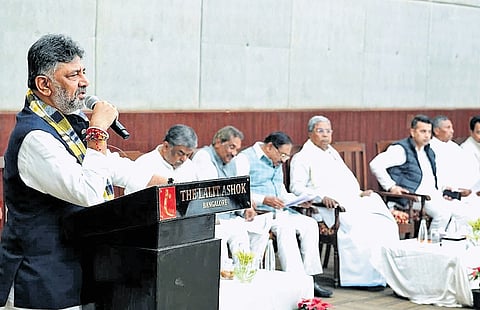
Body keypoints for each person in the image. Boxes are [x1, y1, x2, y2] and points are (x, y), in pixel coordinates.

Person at [0, 34, 166, 309]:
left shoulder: (66, 120)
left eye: (84, 72)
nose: (85, 82)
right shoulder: (34, 137)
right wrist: (97, 132)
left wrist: (155, 181)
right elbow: (88, 192)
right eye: (73, 75)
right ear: (44, 85)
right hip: (41, 279)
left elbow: (102, 164)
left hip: (74, 267)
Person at [289, 115, 399, 288]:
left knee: (383, 223)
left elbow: (345, 181)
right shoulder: (302, 157)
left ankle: (383, 275)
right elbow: (296, 188)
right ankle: (361, 278)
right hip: (330, 208)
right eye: (320, 131)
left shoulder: (332, 153)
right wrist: (320, 197)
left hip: (352, 201)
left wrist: (361, 192)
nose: (325, 135)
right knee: (363, 225)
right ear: (310, 133)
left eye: (328, 131)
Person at [235, 131, 333, 298]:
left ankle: (310, 279)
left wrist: (298, 200)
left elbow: (281, 192)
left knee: (309, 224)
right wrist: (263, 199)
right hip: (259, 213)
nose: (284, 160)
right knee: (285, 229)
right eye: (282, 155)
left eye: (287, 156)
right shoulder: (245, 158)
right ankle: (295, 282)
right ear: (270, 147)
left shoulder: (277, 163)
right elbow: (238, 192)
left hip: (280, 210)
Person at [192, 126, 271, 268]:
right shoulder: (204, 157)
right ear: (217, 142)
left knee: (250, 243)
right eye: (231, 147)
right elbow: (208, 193)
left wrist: (245, 209)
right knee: (222, 249)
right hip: (211, 218)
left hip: (230, 217)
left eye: (237, 149)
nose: (234, 153)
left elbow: (237, 192)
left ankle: (245, 278)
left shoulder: (233, 161)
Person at [369, 114, 459, 232]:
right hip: (412, 198)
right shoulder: (400, 149)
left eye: (429, 131)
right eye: (422, 131)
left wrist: (443, 188)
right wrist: (391, 186)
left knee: (460, 212)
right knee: (443, 213)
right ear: (412, 132)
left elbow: (430, 177)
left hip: (431, 196)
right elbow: (375, 164)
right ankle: (433, 244)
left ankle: (447, 243)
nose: (427, 135)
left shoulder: (428, 151)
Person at [429, 115, 480, 229]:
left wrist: (469, 188)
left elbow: (467, 170)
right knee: (466, 214)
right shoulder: (430, 147)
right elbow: (437, 175)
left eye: (452, 127)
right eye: (448, 127)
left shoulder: (454, 147)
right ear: (437, 131)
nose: (452, 131)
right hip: (445, 193)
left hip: (463, 191)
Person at [125, 124, 198, 194]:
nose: (184, 159)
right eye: (180, 153)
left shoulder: (189, 166)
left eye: (188, 155)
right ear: (166, 146)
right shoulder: (145, 163)